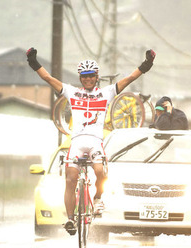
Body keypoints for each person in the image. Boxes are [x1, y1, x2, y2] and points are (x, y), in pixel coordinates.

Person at [26, 47, 156, 235]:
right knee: (70, 179)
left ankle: (97, 198)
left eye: (91, 76)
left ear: (97, 77)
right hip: (77, 142)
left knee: (99, 171)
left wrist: (146, 64)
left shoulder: (107, 93)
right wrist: (33, 62)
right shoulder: (71, 92)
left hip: (95, 141)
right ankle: (70, 220)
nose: (88, 79)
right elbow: (48, 78)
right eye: (84, 76)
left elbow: (129, 79)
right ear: (80, 78)